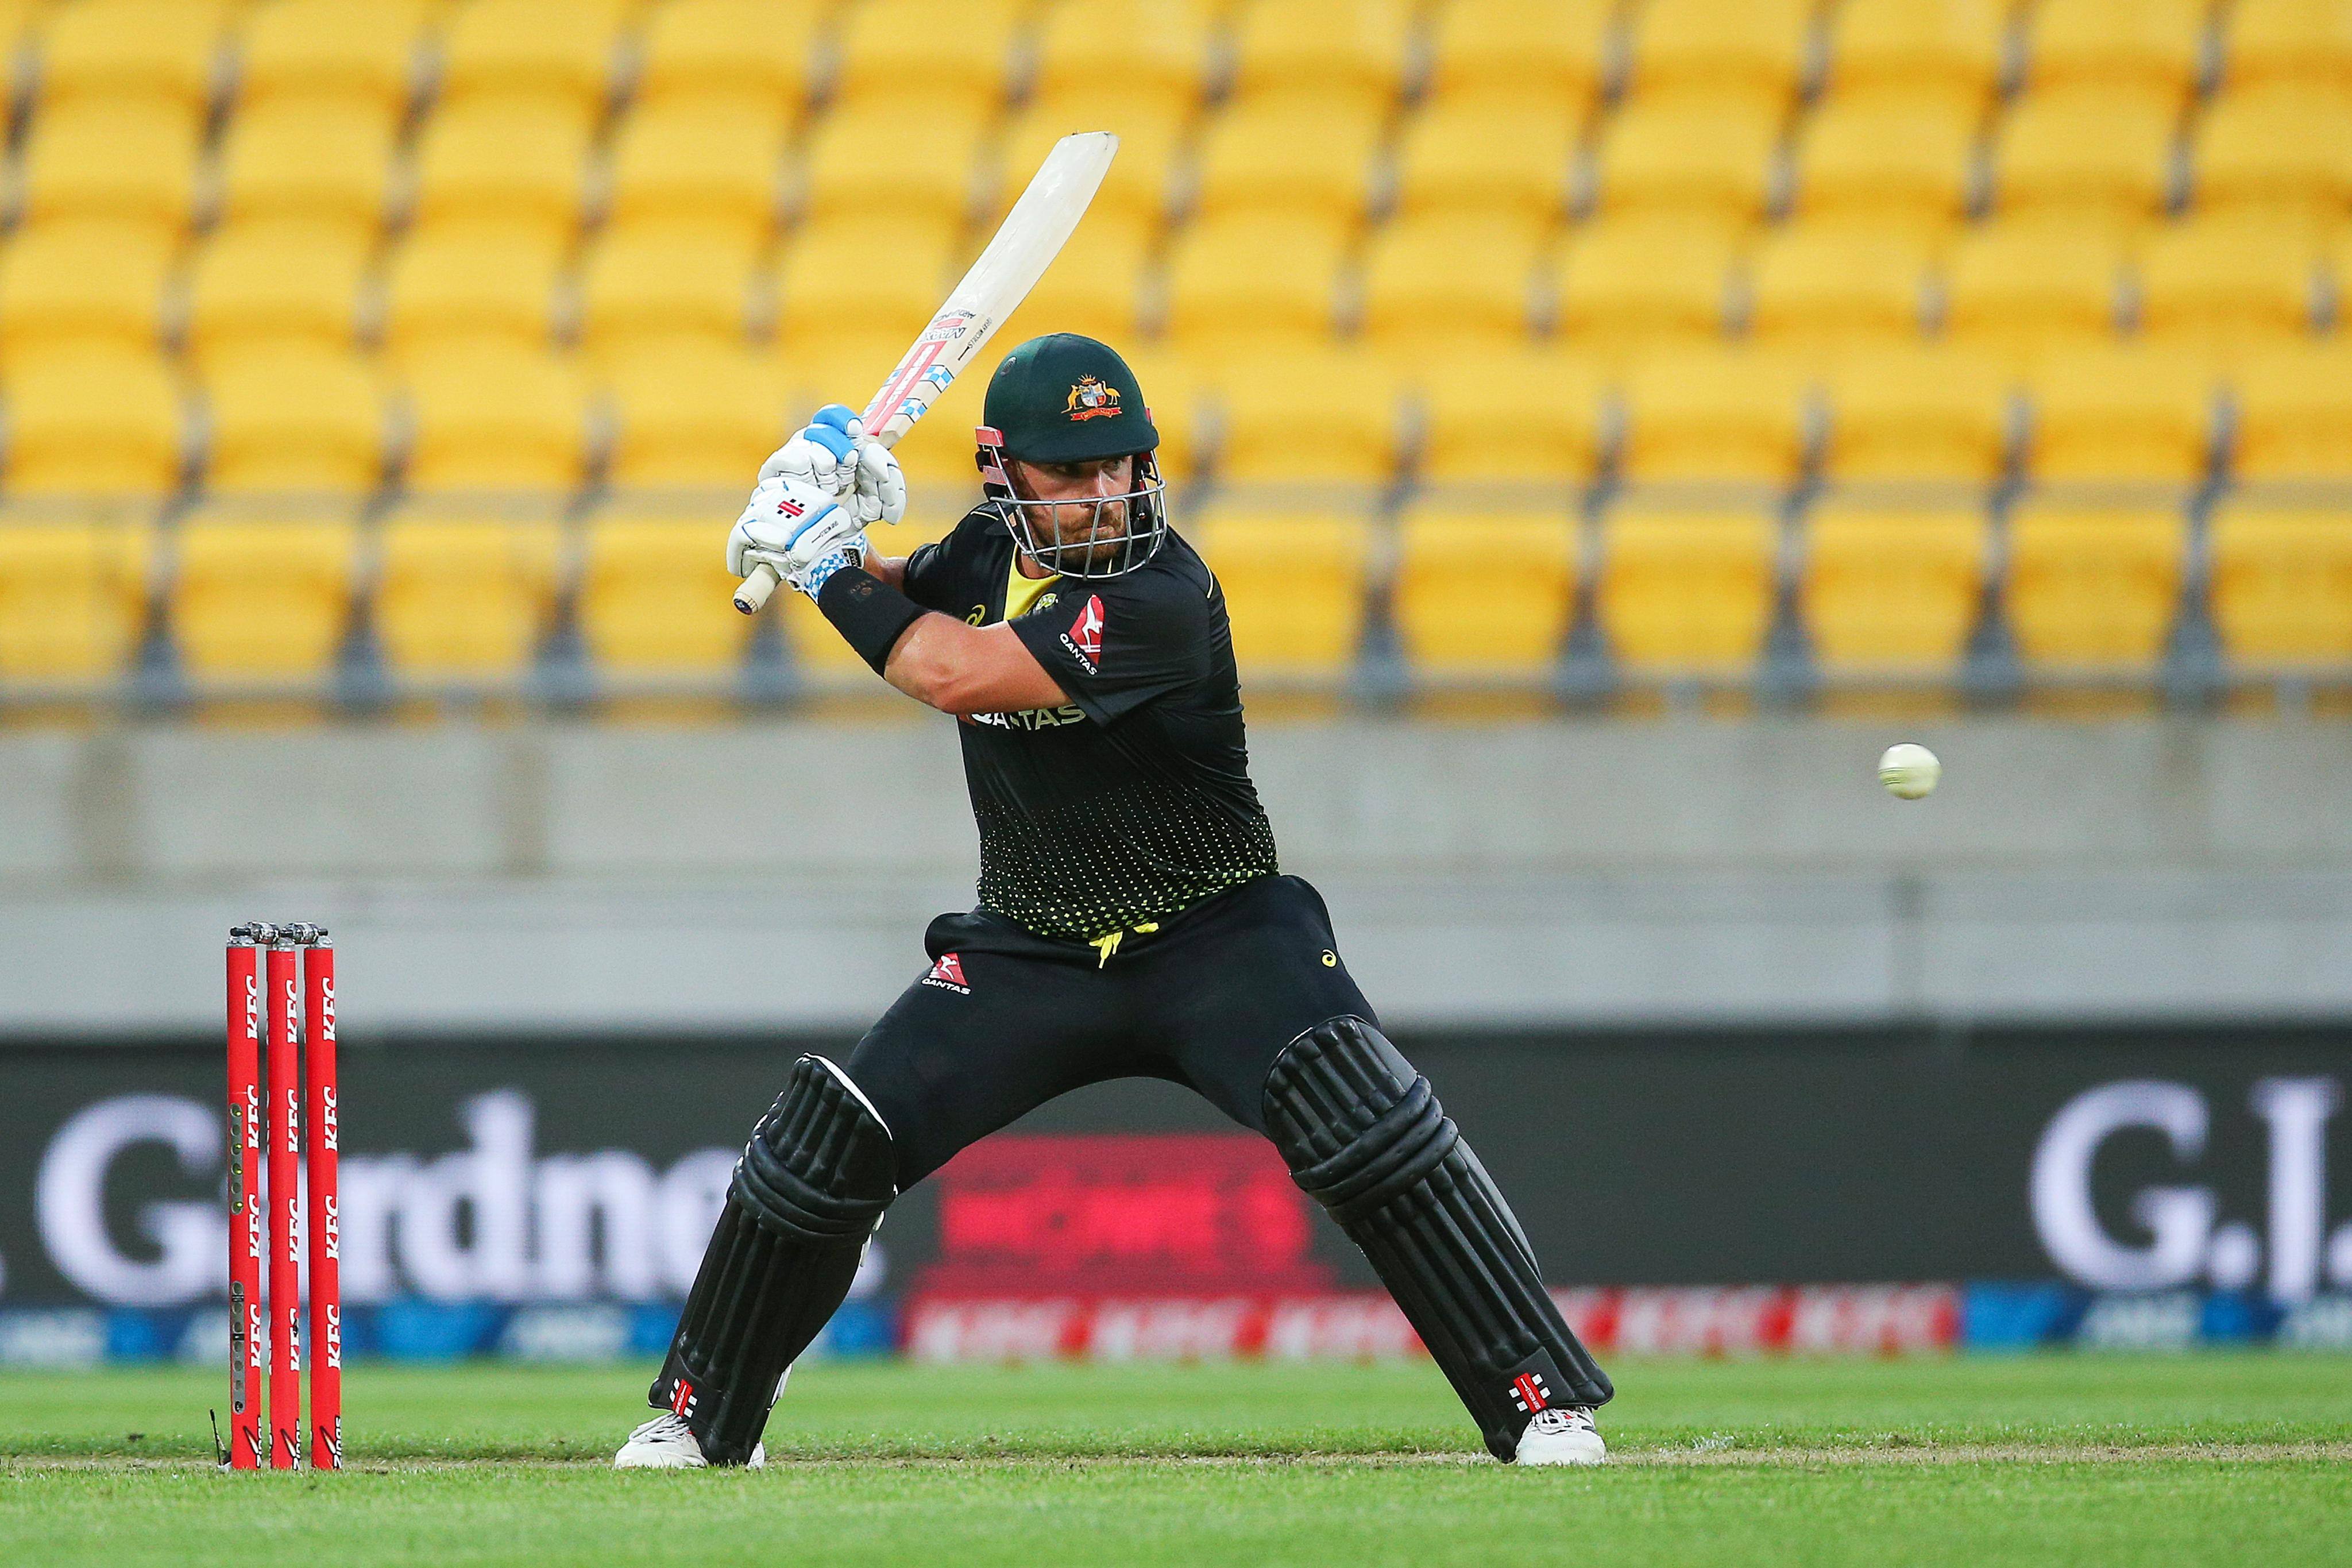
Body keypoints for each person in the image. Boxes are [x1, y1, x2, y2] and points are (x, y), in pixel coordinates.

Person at [613, 334, 1611, 1469]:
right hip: (1030, 949)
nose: (1105, 495)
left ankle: (1538, 1400)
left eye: (1123, 466)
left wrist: (821, 560)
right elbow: (907, 602)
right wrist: (821, 525)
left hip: (1218, 934)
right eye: (1071, 473)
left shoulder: (1161, 593)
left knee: (1367, 1125)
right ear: (1004, 477)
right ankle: (700, 1417)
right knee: (823, 1139)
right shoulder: (986, 549)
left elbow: (948, 670)